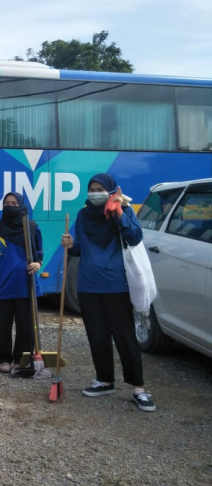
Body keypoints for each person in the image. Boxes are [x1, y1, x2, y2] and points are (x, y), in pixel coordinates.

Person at [61, 173, 156, 412]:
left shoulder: (124, 211)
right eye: (91, 189)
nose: (95, 193)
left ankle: (138, 389)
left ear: (111, 191)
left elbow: (134, 237)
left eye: (99, 189)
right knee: (97, 336)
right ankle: (105, 380)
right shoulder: (83, 215)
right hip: (88, 285)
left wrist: (119, 213)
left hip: (116, 284)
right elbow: (80, 248)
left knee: (124, 337)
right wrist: (71, 245)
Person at [0, 192, 42, 374]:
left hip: (26, 285)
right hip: (2, 286)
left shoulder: (31, 227)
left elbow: (39, 252)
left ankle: (21, 359)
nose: (10, 206)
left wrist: (38, 264)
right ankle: (4, 358)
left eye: (14, 203)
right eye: (7, 203)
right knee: (2, 326)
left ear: (21, 205)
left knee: (26, 326)